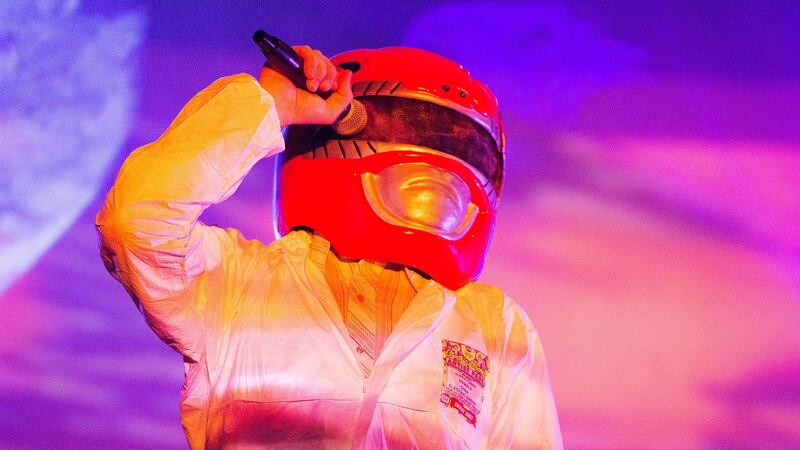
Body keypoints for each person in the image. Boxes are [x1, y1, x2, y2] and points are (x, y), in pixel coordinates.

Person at [96, 44, 562, 449]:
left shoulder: (493, 324)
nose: (444, 168)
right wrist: (272, 106)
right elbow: (137, 218)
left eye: (466, 149)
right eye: (416, 130)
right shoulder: (237, 284)